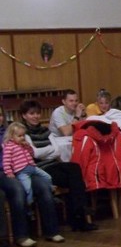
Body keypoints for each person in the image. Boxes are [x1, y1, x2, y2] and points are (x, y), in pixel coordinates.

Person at [20, 99, 97, 232]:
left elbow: (57, 151)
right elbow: (35, 153)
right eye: (31, 114)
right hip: (41, 169)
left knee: (75, 168)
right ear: (24, 115)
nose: (35, 116)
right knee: (74, 181)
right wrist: (48, 151)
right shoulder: (24, 133)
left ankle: (79, 214)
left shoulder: (45, 130)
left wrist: (45, 152)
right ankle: (79, 217)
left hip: (55, 164)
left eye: (37, 113)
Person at [0, 106, 63, 247]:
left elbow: (30, 152)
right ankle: (22, 235)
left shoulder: (11, 131)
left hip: (22, 169)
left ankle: (52, 231)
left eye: (0, 115)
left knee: (43, 186)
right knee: (18, 189)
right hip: (4, 172)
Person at [2, 122, 54, 208]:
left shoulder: (23, 144)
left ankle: (51, 189)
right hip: (22, 171)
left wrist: (28, 147)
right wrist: (9, 172)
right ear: (11, 137)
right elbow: (6, 161)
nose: (22, 138)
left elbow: (32, 154)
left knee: (47, 177)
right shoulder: (9, 147)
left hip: (32, 167)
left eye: (23, 135)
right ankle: (29, 202)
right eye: (19, 136)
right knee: (27, 188)